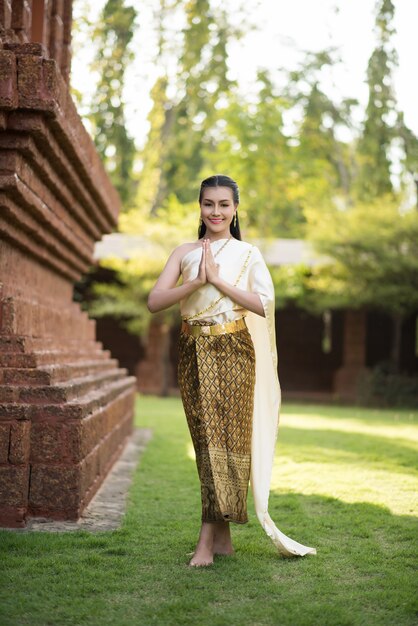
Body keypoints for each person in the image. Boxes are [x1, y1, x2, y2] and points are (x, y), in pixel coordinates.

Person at [147, 174, 316, 567]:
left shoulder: (248, 254)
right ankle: (222, 537)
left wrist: (219, 281)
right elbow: (155, 301)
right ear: (200, 206)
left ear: (235, 209)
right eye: (209, 204)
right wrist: (195, 282)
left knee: (230, 443)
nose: (216, 212)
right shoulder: (184, 252)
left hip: (234, 348)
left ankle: (207, 542)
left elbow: (264, 304)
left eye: (224, 204)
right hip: (192, 348)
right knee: (207, 444)